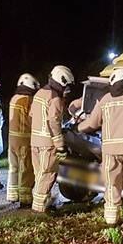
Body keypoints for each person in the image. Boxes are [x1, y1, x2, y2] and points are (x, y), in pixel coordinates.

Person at [78, 68, 123, 228]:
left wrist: (78, 127)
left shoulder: (105, 100)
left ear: (113, 81)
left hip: (110, 151)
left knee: (112, 183)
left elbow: (92, 124)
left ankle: (112, 218)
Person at [30, 65, 74, 212]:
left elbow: (31, 116)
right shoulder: (54, 98)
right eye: (67, 85)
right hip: (48, 143)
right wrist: (60, 144)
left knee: (39, 174)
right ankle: (40, 209)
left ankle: (42, 203)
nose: (67, 89)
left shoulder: (39, 93)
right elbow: (53, 122)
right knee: (48, 174)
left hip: (35, 140)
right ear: (62, 81)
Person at [7, 73, 39, 207]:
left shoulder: (14, 98)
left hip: (12, 138)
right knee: (26, 168)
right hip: (25, 138)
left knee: (14, 167)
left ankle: (13, 194)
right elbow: (33, 119)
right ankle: (26, 199)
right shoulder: (28, 100)